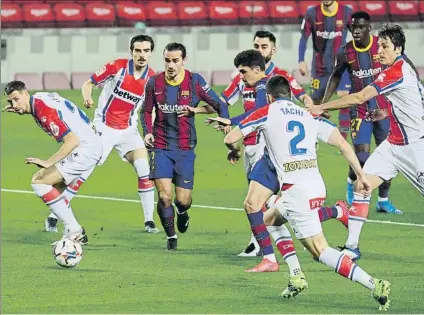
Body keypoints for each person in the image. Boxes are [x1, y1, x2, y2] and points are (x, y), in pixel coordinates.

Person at [223, 75, 391, 310]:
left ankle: (374, 284)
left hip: (295, 190)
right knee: (269, 218)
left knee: (320, 251)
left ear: (269, 96)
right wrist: (361, 176)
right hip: (315, 184)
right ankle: (295, 274)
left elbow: (231, 137)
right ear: (290, 95)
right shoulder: (308, 113)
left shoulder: (266, 112)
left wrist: (232, 146)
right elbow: (343, 145)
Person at [206, 51, 348, 274]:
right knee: (265, 207)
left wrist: (230, 123)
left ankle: (273, 257)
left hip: (279, 158)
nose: (240, 76)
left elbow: (261, 113)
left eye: (243, 71)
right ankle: (278, 260)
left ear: (260, 64)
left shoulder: (269, 85)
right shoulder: (258, 84)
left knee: (275, 209)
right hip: (266, 155)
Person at [309, 24, 424, 260]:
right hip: (393, 146)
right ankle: (352, 246)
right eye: (379, 46)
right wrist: (384, 112)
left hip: (416, 148)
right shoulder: (402, 69)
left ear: (398, 49)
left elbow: (360, 97)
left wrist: (322, 106)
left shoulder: (396, 71)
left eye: (384, 47)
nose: (379, 51)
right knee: (363, 185)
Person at [44, 34, 159, 234]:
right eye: (138, 50)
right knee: (82, 173)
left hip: (129, 130)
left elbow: (153, 107)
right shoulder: (117, 67)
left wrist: (152, 129)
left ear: (151, 53)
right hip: (103, 128)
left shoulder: (153, 79)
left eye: (146, 51)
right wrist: (87, 97)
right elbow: (87, 84)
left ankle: (149, 221)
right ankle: (54, 216)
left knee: (144, 169)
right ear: (131, 51)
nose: (142, 55)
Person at [140, 42, 230, 251]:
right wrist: (148, 133)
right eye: (167, 60)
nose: (170, 65)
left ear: (184, 61)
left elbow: (220, 105)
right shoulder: (154, 83)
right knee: (164, 196)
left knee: (182, 200)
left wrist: (223, 122)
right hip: (160, 146)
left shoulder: (195, 82)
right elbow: (145, 111)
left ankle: (182, 212)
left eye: (175, 61)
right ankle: (171, 236)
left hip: (184, 148)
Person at [3, 81, 103, 244]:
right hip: (91, 142)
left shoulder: (43, 111)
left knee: (39, 182)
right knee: (55, 189)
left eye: (16, 99)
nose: (14, 104)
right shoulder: (39, 98)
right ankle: (73, 231)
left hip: (84, 149)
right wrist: (21, 107)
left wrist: (48, 162)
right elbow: (57, 99)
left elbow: (72, 141)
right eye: (11, 101)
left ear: (26, 93)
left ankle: (75, 231)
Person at [321, 11, 401, 214]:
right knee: (362, 157)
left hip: (384, 109)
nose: (356, 30)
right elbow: (336, 77)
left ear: (369, 28)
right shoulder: (345, 52)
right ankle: (351, 182)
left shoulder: (381, 47)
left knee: (388, 157)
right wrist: (323, 104)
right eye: (353, 27)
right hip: (360, 110)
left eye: (361, 27)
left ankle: (383, 200)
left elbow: (401, 65)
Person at [298, 0, 352, 139]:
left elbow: (359, 34)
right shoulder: (312, 13)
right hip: (319, 67)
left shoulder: (346, 12)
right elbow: (304, 38)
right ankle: (314, 135)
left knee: (344, 95)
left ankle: (343, 136)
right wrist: (301, 60)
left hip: (340, 65)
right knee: (315, 102)